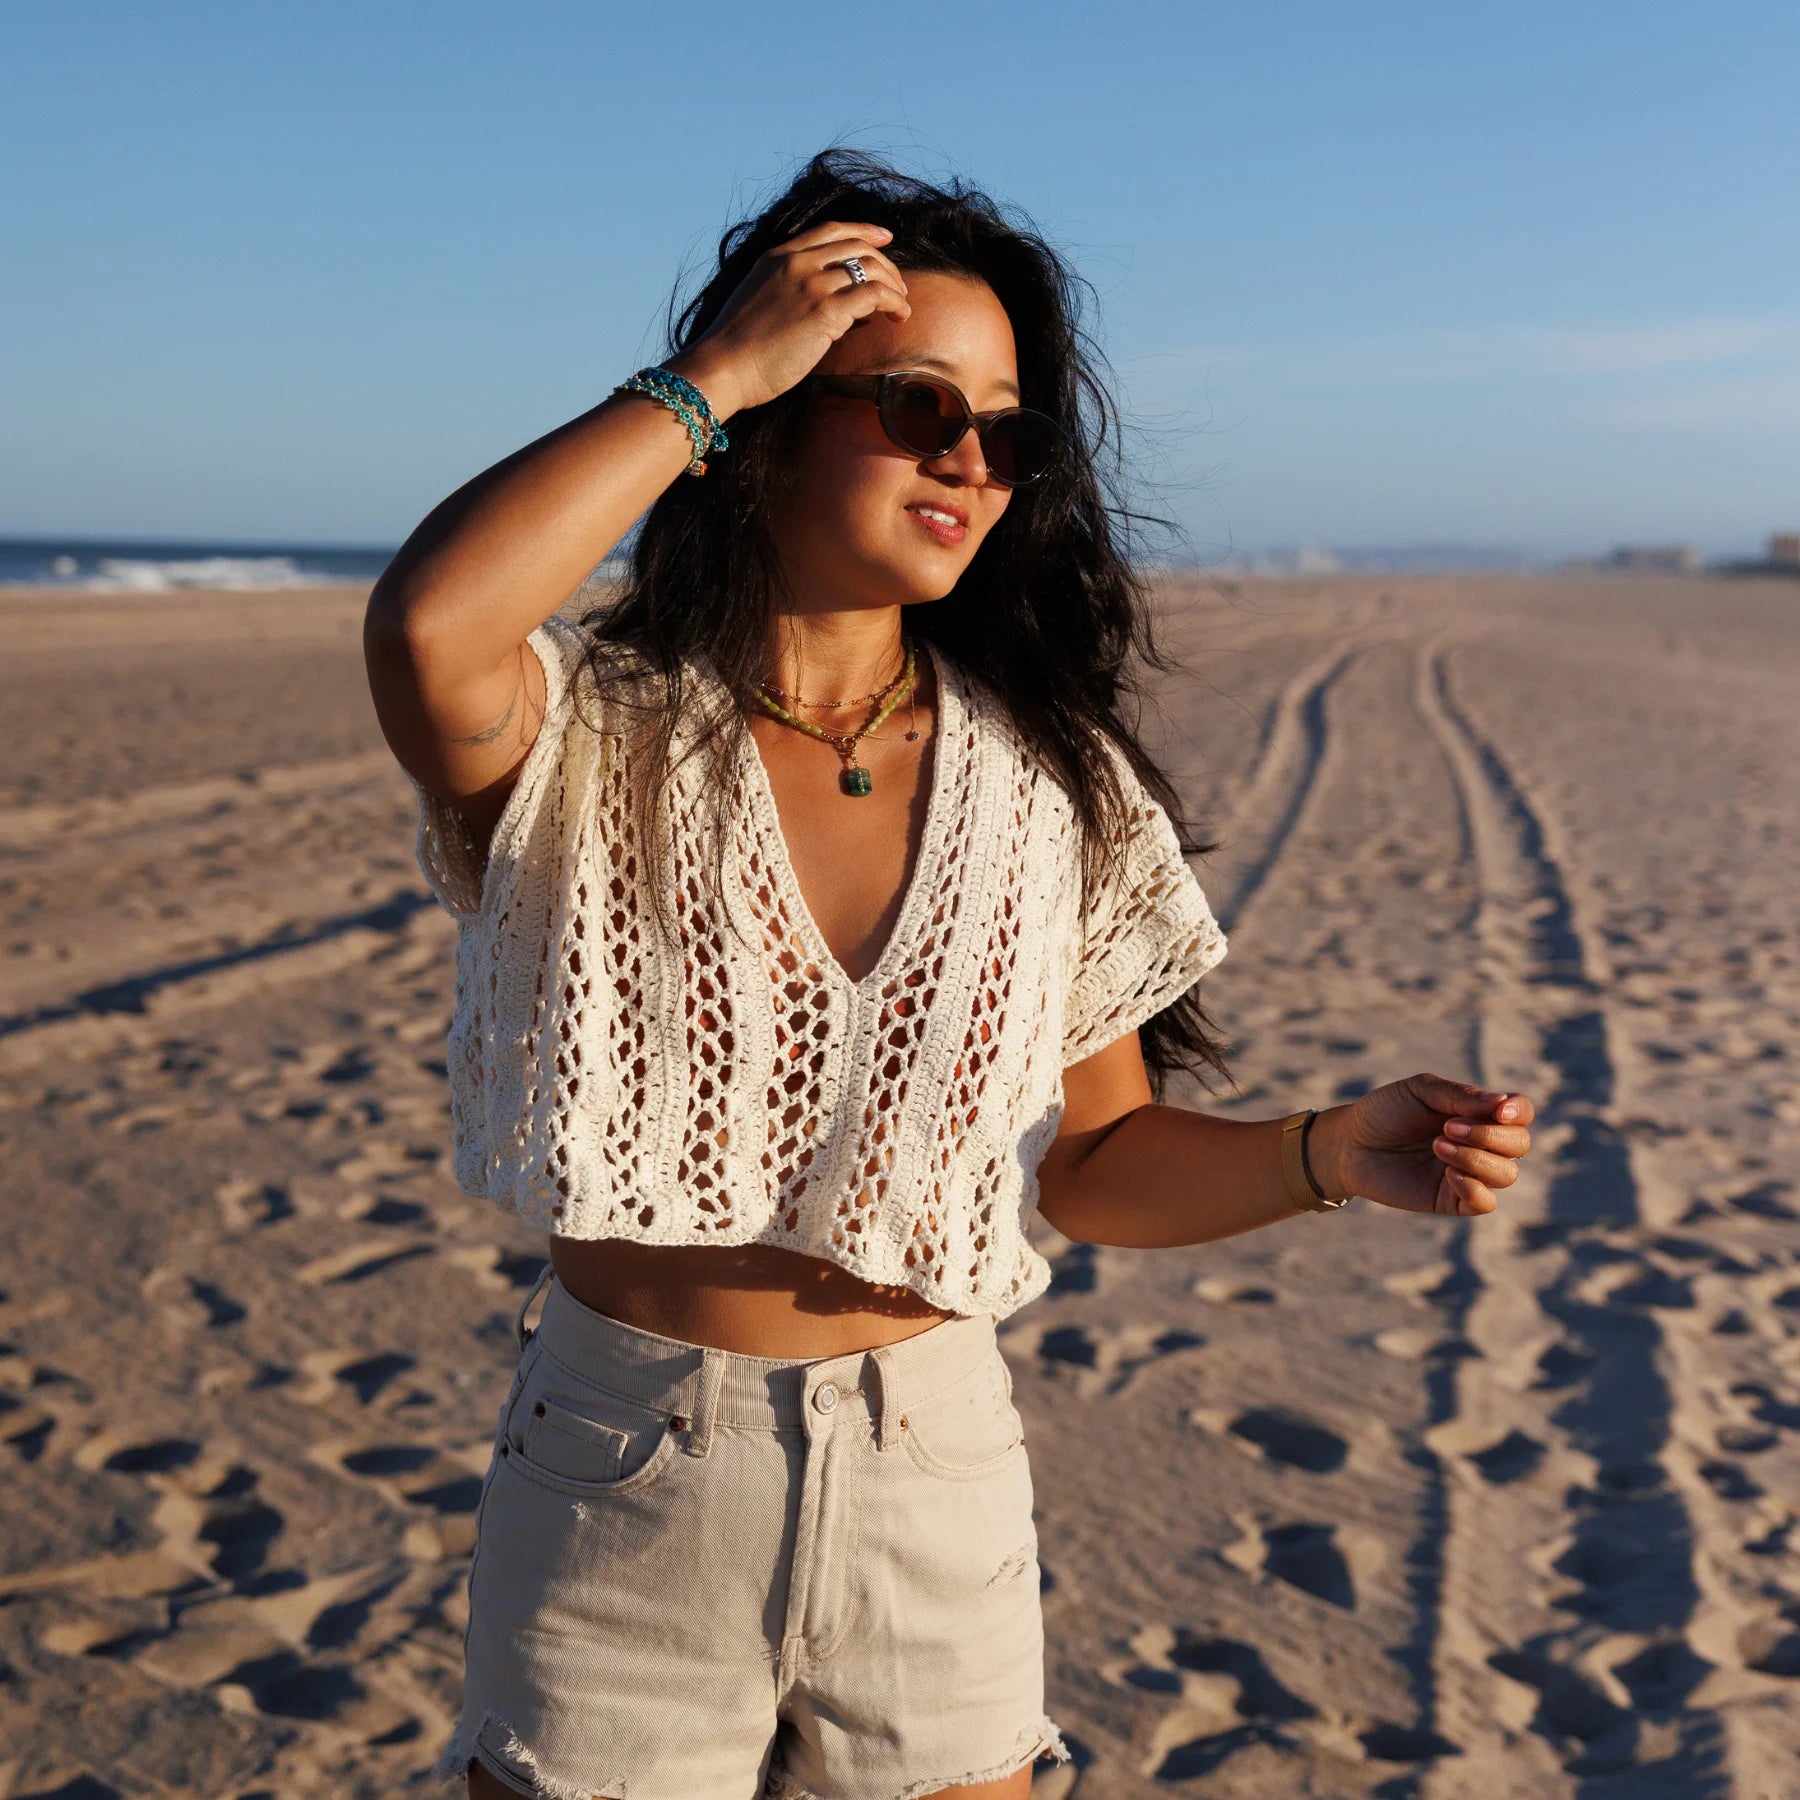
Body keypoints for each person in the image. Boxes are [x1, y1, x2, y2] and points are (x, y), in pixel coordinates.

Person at [363, 147, 1536, 1800]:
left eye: (1010, 432)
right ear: (770, 423)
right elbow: (429, 628)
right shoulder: (590, 738)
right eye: (919, 406)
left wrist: (1327, 1153)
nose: (972, 461)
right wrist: (712, 374)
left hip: (936, 1477)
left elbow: (1096, 1160)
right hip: (621, 1476)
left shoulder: (1052, 784)